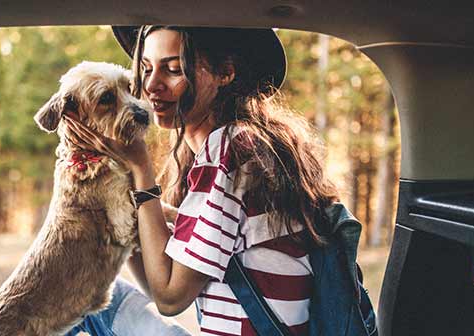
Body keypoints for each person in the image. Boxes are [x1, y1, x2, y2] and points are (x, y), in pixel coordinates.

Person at [66, 25, 339, 336]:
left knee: (64, 288)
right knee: (79, 286)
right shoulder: (241, 146)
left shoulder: (230, 151)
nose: (152, 85)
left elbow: (170, 298)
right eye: (146, 69)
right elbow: (160, 285)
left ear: (225, 73)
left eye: (173, 69)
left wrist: (140, 168)